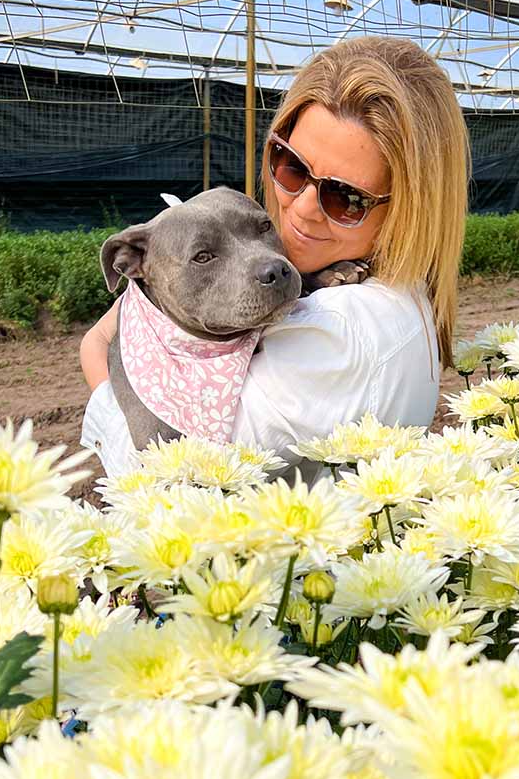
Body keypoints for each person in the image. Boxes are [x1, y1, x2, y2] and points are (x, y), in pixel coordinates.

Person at [79, 36, 469, 478]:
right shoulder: (401, 289)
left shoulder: (338, 331)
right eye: (292, 166)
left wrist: (94, 351)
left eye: (346, 197)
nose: (301, 208)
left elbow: (159, 478)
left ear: (413, 208)